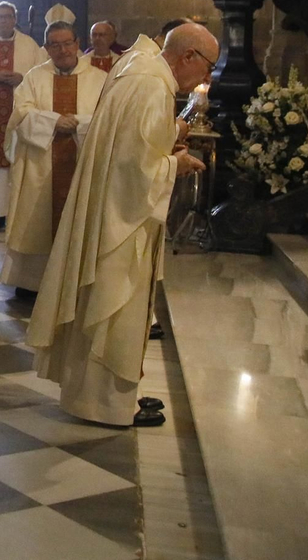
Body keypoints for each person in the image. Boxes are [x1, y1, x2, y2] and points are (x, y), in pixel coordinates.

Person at [27, 24, 219, 428]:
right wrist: (176, 165)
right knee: (115, 305)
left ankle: (112, 399)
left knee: (110, 306)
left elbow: (133, 142)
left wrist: (172, 134)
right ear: (187, 57)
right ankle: (105, 405)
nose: (207, 79)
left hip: (111, 207)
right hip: (122, 219)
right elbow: (135, 169)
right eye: (207, 67)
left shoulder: (137, 64)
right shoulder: (151, 84)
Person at [1, 22, 107, 295]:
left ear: (78, 43)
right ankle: (32, 283)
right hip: (41, 166)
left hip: (81, 164)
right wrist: (53, 122)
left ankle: (74, 284)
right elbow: (20, 115)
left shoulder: (100, 79)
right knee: (36, 222)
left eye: (67, 43)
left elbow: (108, 120)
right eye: (55, 45)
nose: (62, 50)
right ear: (46, 48)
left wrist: (78, 124)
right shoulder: (34, 78)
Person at [0, 1, 43, 227]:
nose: (3, 20)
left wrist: (21, 78)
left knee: (14, 157)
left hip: (17, 114)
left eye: (7, 16)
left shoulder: (30, 45)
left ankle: (12, 211)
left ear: (15, 19)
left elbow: (39, 75)